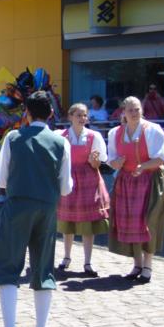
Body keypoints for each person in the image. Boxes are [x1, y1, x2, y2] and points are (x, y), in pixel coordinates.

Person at [0, 91, 73, 327]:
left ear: (26, 112)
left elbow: (1, 179)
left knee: (7, 267)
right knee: (43, 268)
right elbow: (66, 187)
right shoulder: (62, 143)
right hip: (47, 207)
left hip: (17, 205)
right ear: (51, 114)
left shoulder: (13, 138)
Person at [107, 96, 164, 283]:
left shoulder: (152, 130)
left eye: (137, 109)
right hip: (127, 181)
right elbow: (111, 159)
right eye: (130, 110)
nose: (134, 113)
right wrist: (116, 163)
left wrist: (142, 166)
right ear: (123, 113)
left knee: (148, 221)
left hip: (151, 179)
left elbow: (163, 158)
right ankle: (137, 264)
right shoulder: (115, 133)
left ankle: (148, 265)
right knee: (131, 221)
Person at [55, 103, 110, 278]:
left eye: (84, 115)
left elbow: (98, 163)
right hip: (69, 179)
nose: (82, 118)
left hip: (88, 180)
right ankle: (66, 257)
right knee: (67, 221)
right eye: (78, 115)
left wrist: (94, 161)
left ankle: (88, 261)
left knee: (88, 223)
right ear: (70, 116)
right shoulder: (61, 136)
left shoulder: (94, 137)